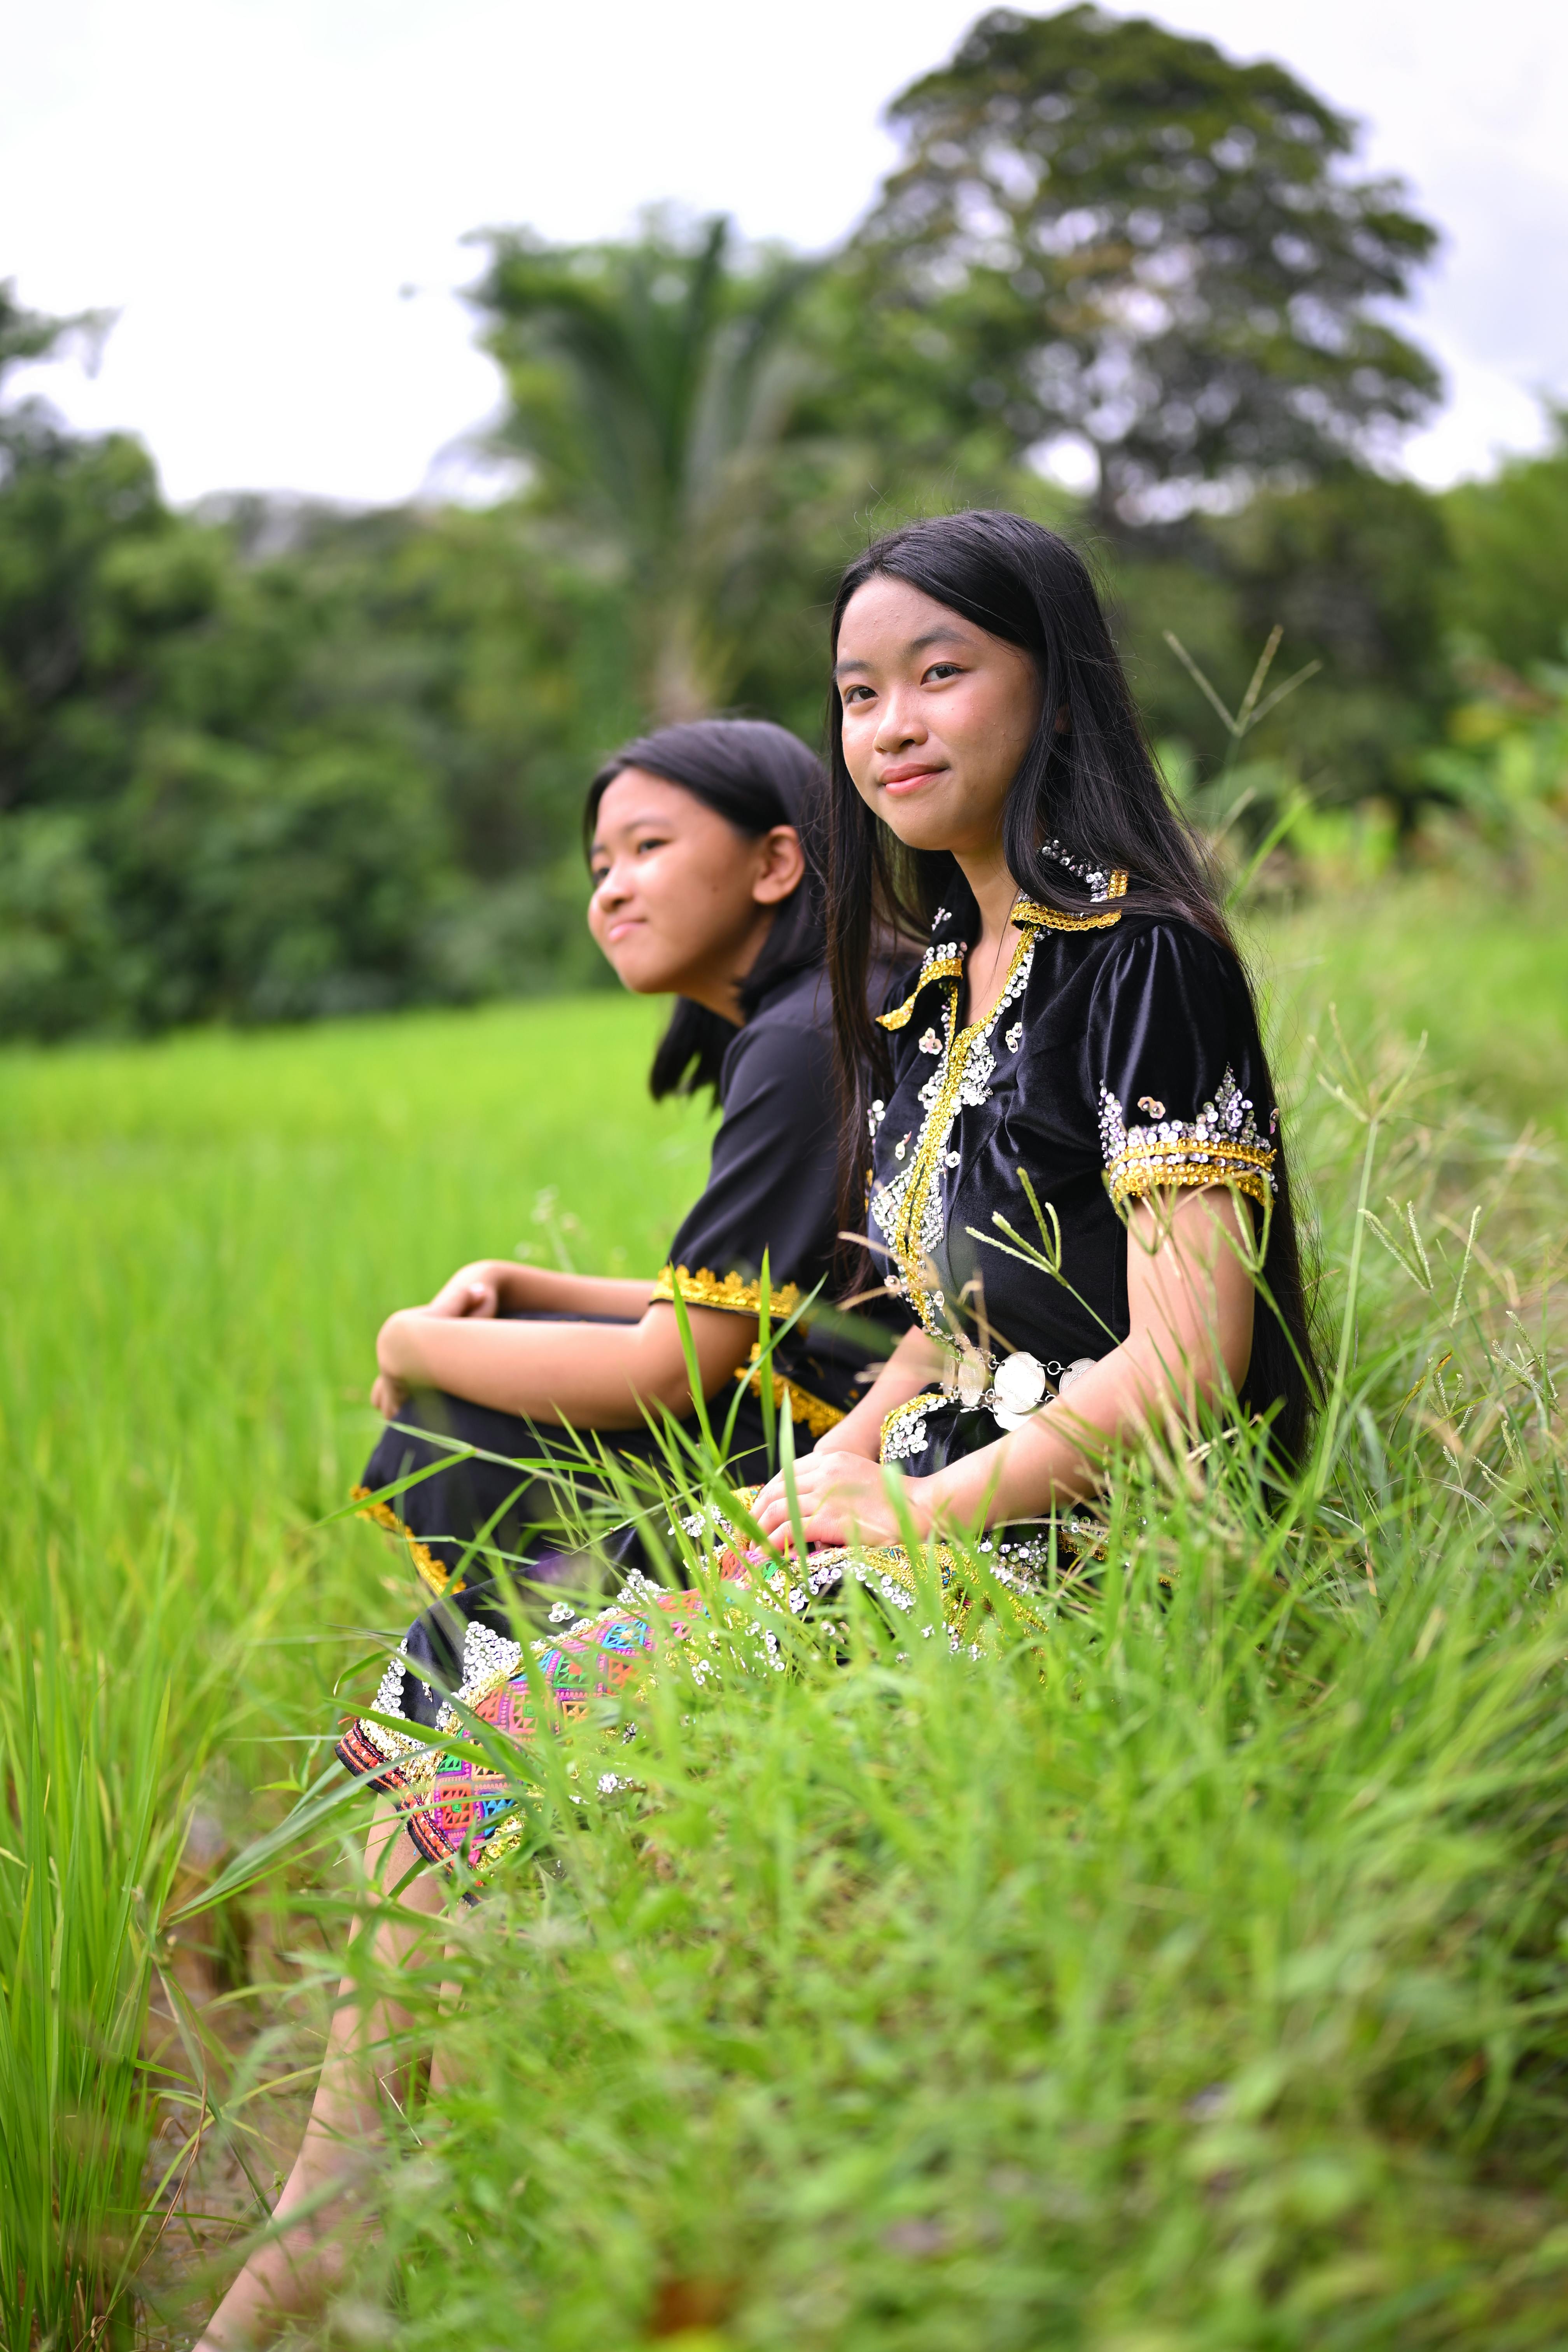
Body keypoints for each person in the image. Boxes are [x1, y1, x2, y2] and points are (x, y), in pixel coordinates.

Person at [194, 717, 874, 2351]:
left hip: (848, 1499)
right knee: (446, 1726)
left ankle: (323, 2219)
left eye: (649, 849)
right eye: (598, 865)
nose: (614, 889)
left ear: (778, 862)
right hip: (829, 1452)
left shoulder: (800, 1042)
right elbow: (779, 1311)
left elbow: (693, 1363)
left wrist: (411, 1338)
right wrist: (535, 1281)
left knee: (447, 1691)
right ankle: (332, 2203)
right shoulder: (806, 1022)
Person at [748, 508, 1315, 1559]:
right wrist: (839, 1467)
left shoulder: (1143, 963)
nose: (891, 726)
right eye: (859, 694)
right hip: (929, 1503)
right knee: (505, 1684)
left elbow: (1190, 1365)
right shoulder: (940, 986)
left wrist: (913, 1516)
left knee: (618, 1698)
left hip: (1088, 1544)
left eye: (940, 674)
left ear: (1056, 697)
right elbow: (958, 1321)